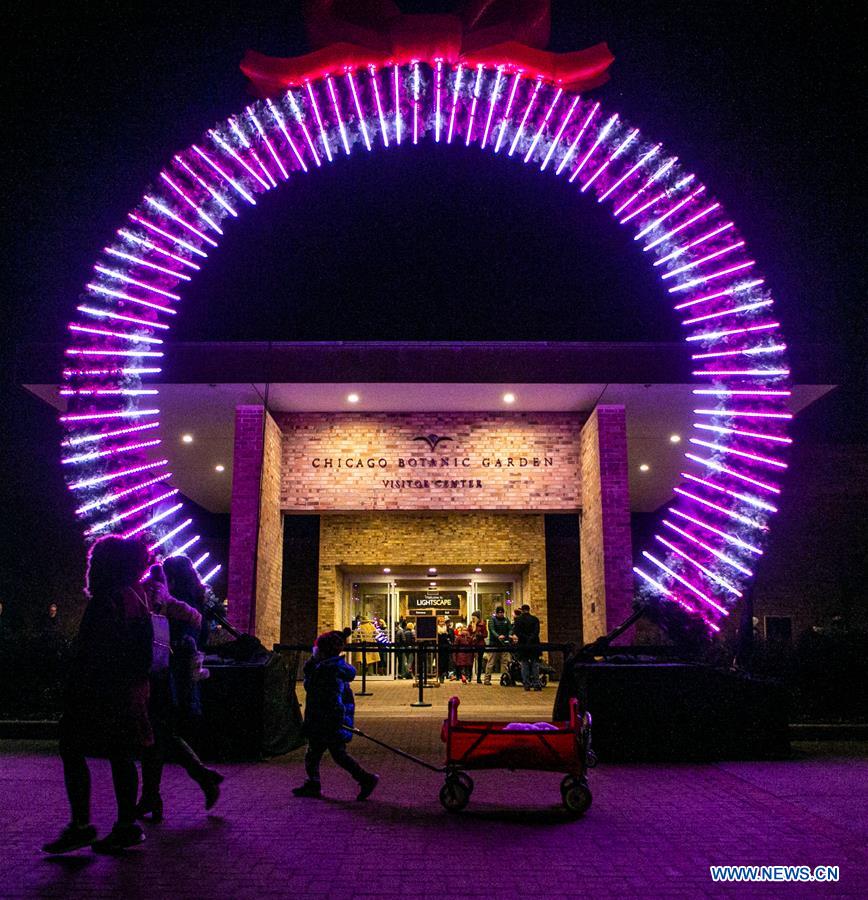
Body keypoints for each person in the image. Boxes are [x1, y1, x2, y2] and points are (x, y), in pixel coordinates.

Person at [43, 536, 154, 854]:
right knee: (122, 756)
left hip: (101, 692)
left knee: (72, 747)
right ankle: (125, 825)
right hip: (130, 690)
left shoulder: (106, 602)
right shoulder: (136, 597)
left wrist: (79, 685)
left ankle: (82, 824)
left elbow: (93, 652)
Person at [136, 558, 223, 822]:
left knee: (156, 733)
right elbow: (201, 635)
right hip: (178, 674)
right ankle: (157, 794)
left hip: (166, 673)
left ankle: (159, 793)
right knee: (161, 733)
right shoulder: (196, 599)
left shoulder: (173, 602)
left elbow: (171, 635)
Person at [292, 630, 379, 800]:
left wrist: (336, 719)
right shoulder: (322, 668)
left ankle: (365, 778)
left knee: (333, 754)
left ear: (324, 651)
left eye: (317, 649)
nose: (314, 652)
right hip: (321, 719)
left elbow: (334, 698)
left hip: (326, 721)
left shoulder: (329, 671)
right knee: (318, 753)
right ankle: (314, 782)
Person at [511, 603, 542, 691]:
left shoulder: (518, 620)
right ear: (529, 610)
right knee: (535, 664)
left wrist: (525, 638)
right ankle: (536, 683)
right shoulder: (535, 619)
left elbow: (517, 632)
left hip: (523, 644)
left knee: (524, 664)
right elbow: (537, 632)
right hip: (534, 644)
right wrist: (531, 638)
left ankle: (526, 684)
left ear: (522, 610)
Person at [483, 605, 511, 685]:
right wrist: (498, 636)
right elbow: (492, 630)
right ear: (496, 613)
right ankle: (487, 679)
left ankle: (506, 678)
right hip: (494, 644)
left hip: (503, 644)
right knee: (491, 662)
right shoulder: (492, 620)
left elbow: (510, 629)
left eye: (502, 612)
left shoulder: (506, 620)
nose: (501, 614)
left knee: (505, 663)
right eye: (499, 613)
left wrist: (508, 635)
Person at [467, 610, 488, 684]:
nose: (473, 618)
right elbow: (468, 634)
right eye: (472, 617)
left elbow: (485, 634)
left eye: (474, 617)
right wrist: (471, 637)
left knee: (479, 661)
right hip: (472, 644)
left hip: (480, 645)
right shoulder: (470, 625)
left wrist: (479, 635)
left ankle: (479, 677)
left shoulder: (482, 625)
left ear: (478, 618)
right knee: (470, 661)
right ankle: (469, 676)